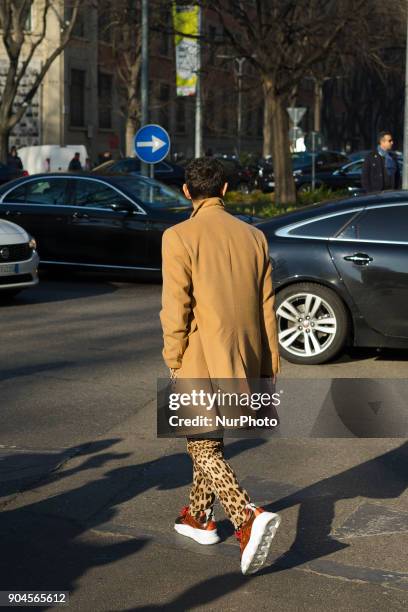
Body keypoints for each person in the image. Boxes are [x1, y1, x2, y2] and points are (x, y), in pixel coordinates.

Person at [160, 157, 281, 575]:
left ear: (187, 192)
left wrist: (172, 357)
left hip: (198, 352)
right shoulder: (254, 236)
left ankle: (247, 517)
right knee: (208, 439)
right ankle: (199, 518)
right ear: (226, 189)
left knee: (200, 443)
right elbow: (269, 308)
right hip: (244, 353)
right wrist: (269, 364)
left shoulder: (178, 236)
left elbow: (176, 306)